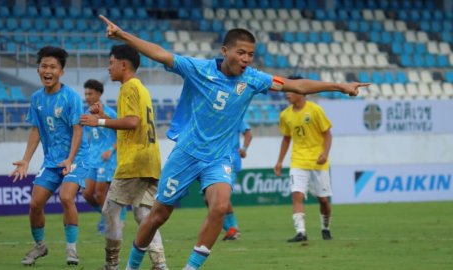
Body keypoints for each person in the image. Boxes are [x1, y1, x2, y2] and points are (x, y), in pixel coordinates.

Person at [98, 15, 368, 270]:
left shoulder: (254, 79)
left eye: (251, 54)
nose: (247, 59)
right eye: (241, 53)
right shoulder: (198, 69)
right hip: (187, 153)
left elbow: (295, 85)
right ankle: (132, 266)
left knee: (219, 206)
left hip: (219, 158)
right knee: (158, 215)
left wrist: (339, 86)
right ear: (225, 51)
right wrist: (122, 34)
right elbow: (159, 53)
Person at [79, 44, 168, 270]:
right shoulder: (142, 88)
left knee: (110, 212)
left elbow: (131, 122)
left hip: (133, 162)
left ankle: (112, 265)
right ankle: (160, 264)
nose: (108, 68)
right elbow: (131, 124)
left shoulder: (127, 88)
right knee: (144, 215)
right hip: (151, 160)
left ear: (123, 64)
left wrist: (98, 121)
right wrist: (104, 116)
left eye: (111, 63)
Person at [10, 46, 89, 266]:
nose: (48, 70)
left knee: (66, 197)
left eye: (53, 67)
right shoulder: (36, 99)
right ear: (38, 70)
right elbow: (35, 129)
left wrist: (70, 159)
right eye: (44, 66)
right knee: (35, 204)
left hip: (76, 158)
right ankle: (40, 245)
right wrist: (26, 159)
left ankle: (71, 250)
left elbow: (78, 130)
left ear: (61, 72)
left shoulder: (71, 97)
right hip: (51, 161)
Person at [274, 76, 334, 242]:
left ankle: (325, 227)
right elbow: (286, 138)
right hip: (298, 161)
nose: (287, 94)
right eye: (286, 91)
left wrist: (325, 153)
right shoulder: (285, 115)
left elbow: (327, 134)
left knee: (323, 200)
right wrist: (279, 161)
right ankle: (301, 232)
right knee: (297, 195)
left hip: (318, 162)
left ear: (301, 91)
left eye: (290, 90)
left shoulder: (315, 110)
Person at [81, 79, 125, 234]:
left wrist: (111, 150)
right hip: (92, 159)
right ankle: (110, 217)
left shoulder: (110, 113)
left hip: (107, 158)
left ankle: (112, 222)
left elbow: (122, 135)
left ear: (99, 94)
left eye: (90, 93)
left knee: (100, 193)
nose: (87, 96)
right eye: (86, 93)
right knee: (86, 193)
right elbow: (89, 138)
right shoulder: (85, 115)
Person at [220, 119, 252, 241]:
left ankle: (233, 229)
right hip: (214, 160)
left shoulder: (236, 114)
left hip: (230, 161)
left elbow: (248, 134)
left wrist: (243, 149)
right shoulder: (213, 115)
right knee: (209, 199)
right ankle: (230, 229)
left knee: (222, 195)